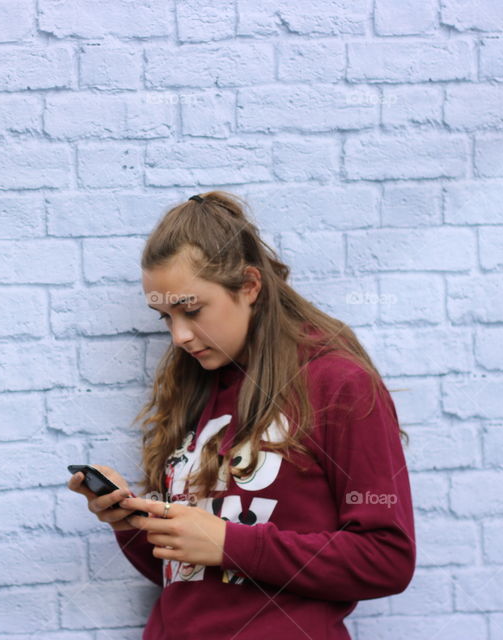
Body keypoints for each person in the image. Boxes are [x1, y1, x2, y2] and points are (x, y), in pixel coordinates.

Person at [67, 191, 415, 639]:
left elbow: (387, 559)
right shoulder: (197, 385)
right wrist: (131, 524)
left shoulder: (338, 385)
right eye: (165, 318)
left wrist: (229, 543)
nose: (179, 336)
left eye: (191, 310)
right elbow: (192, 581)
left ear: (250, 286)